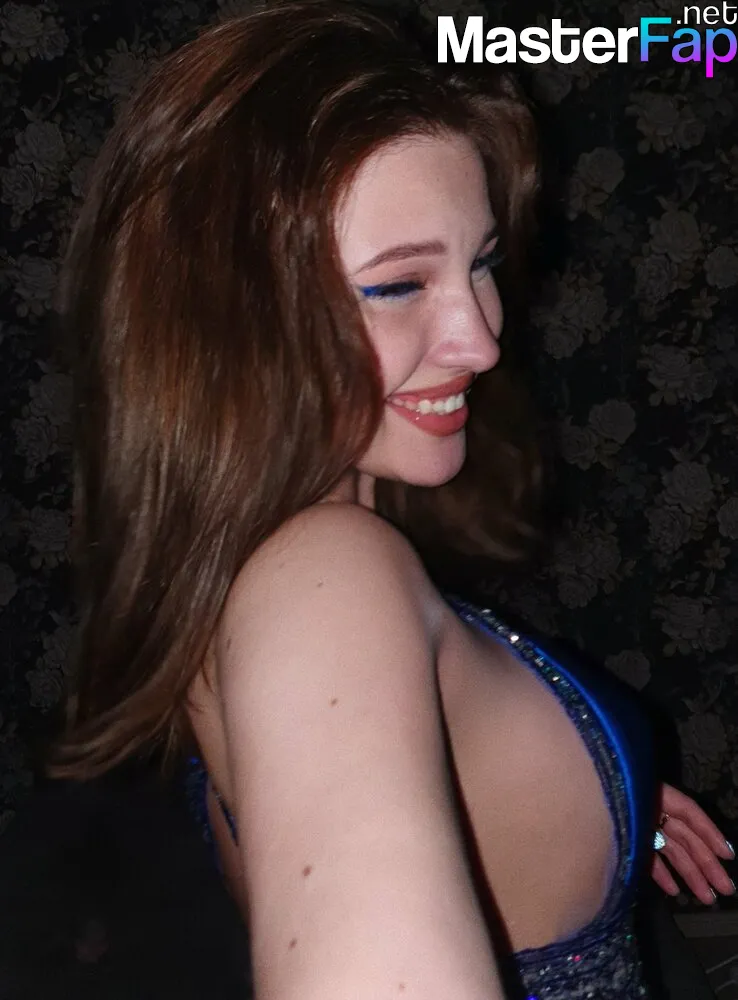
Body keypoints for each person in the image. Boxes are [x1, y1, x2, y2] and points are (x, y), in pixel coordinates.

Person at [48, 3, 734, 998]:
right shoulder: (326, 578)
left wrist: (597, 797)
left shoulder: (235, 559)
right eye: (398, 285)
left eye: (481, 262)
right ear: (233, 316)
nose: (482, 340)